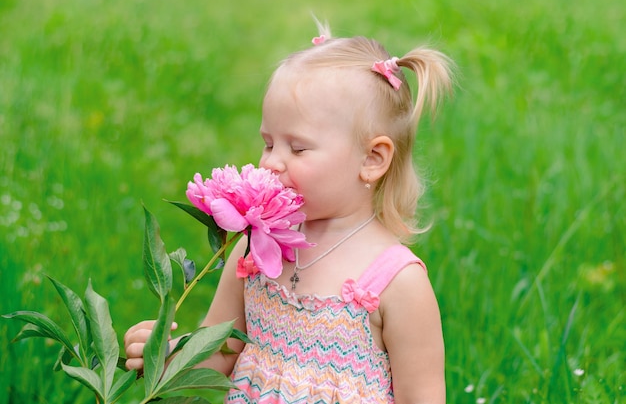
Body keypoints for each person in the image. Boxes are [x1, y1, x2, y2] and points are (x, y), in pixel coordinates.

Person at [124, 21, 454, 403]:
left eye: (297, 149)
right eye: (268, 143)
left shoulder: (398, 283)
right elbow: (219, 351)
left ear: (372, 159)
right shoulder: (252, 250)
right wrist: (167, 355)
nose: (273, 162)